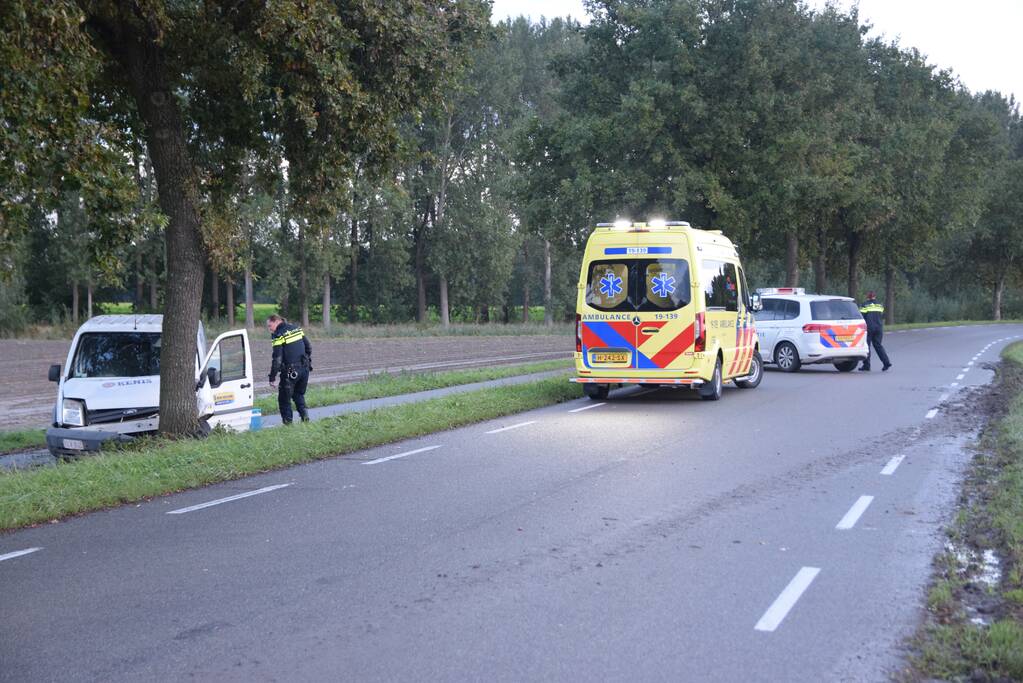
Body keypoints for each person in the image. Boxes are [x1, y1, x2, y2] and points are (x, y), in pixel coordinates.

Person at [267, 314, 312, 423]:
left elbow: (277, 359)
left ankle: (288, 424)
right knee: (298, 395)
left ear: (276, 321)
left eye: (270, 326)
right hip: (304, 369)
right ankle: (305, 419)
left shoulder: (278, 335)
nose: (269, 329)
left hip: (290, 372)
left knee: (284, 399)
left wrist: (272, 377)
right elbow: (308, 347)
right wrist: (305, 361)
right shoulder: (296, 328)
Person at [859, 291, 891, 372]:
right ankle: (886, 363)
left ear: (868, 297)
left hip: (869, 328)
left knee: (867, 346)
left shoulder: (865, 305)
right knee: (878, 346)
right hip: (879, 328)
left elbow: (861, 316)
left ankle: (866, 365)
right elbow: (882, 315)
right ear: (875, 297)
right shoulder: (880, 305)